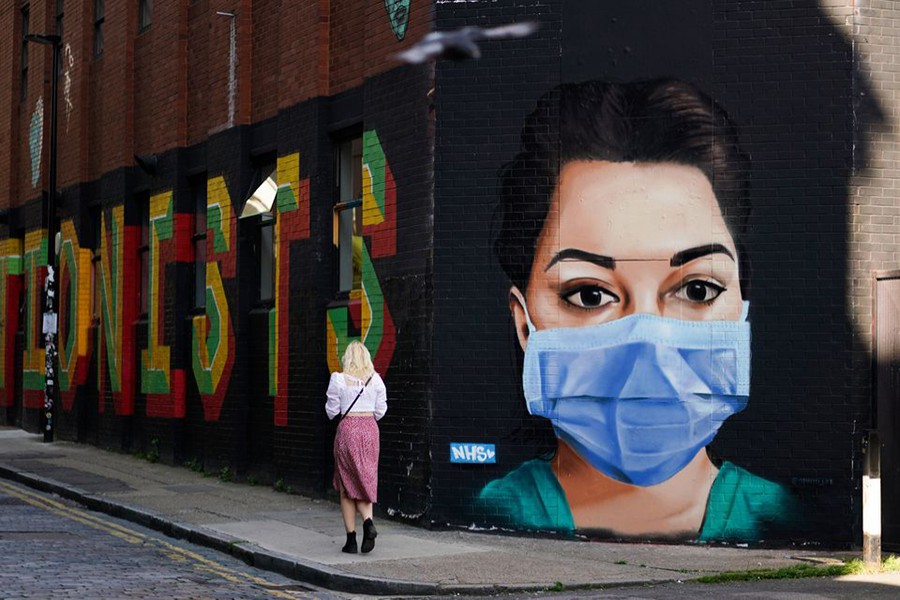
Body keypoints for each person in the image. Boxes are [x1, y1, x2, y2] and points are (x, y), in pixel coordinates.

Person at [479, 78, 799, 542]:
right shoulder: (495, 511)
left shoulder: (782, 518)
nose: (648, 341)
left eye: (697, 289)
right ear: (524, 323)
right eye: (590, 294)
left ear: (741, 310)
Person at [326, 340, 388, 553]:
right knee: (365, 479)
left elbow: (331, 411)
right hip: (370, 429)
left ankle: (351, 540)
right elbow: (381, 411)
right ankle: (368, 522)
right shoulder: (376, 380)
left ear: (347, 358)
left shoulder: (338, 379)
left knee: (346, 486)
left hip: (349, 429)